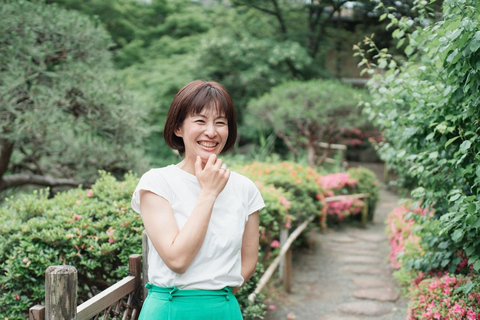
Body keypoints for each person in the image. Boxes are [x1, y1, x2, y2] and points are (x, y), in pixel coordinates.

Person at [131, 80, 265, 319]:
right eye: (200, 121)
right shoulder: (157, 183)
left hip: (223, 310)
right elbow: (177, 259)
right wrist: (209, 192)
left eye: (220, 122)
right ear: (178, 128)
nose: (211, 132)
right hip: (169, 309)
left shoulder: (245, 188)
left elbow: (249, 262)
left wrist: (216, 294)